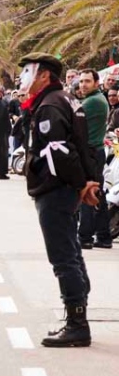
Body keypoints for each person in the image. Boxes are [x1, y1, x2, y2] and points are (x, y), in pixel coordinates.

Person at [19, 52, 99, 347]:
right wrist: (88, 182)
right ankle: (75, 317)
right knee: (72, 253)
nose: (24, 77)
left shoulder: (51, 105)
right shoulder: (65, 100)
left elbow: (60, 151)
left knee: (63, 257)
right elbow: (82, 145)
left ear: (44, 76)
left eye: (29, 71)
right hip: (65, 188)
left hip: (55, 190)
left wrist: (81, 184)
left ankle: (77, 323)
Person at [77, 69, 112, 249]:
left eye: (87, 81)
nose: (83, 85)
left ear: (96, 83)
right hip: (94, 152)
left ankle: (85, 237)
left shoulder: (92, 102)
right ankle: (103, 236)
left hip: (91, 153)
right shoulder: (95, 99)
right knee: (97, 194)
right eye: (81, 81)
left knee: (87, 193)